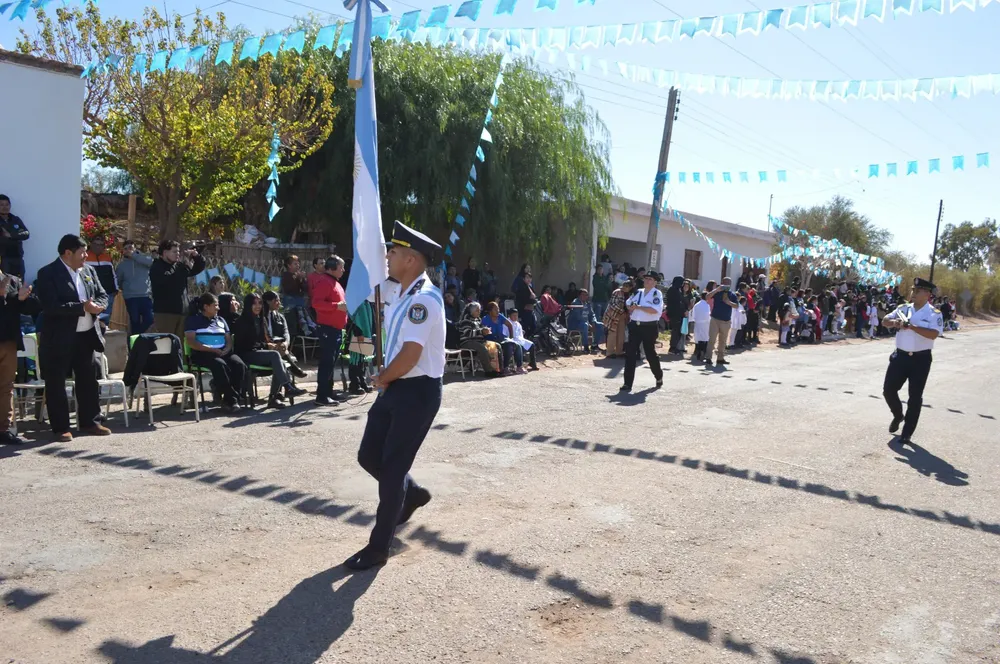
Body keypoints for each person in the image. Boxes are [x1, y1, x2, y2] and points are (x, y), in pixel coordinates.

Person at [344, 221, 445, 571]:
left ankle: (378, 547)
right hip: (396, 385)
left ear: (411, 260)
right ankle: (411, 493)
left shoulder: (423, 300)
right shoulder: (399, 291)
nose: (387, 256)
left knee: (391, 469)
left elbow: (411, 354)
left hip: (417, 391)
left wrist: (383, 377)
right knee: (368, 455)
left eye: (394, 252)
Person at [35, 234, 111, 442]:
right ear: (68, 253)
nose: (86, 256)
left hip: (86, 335)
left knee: (87, 380)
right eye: (82, 252)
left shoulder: (88, 271)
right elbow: (50, 306)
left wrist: (99, 306)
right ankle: (61, 428)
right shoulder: (48, 273)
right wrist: (82, 307)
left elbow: (102, 294)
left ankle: (90, 422)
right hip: (59, 337)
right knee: (57, 382)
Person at [881, 278, 943, 444]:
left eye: (917, 291)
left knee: (914, 397)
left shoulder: (934, 313)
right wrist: (895, 323)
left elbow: (933, 334)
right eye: (913, 290)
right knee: (888, 390)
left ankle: (907, 432)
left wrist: (912, 327)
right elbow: (885, 320)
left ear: (927, 294)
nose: (913, 293)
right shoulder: (903, 308)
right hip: (900, 357)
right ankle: (898, 415)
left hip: (920, 360)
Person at [232, 293, 298, 409]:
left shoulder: (261, 320)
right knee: (274, 355)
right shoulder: (241, 322)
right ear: (248, 305)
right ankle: (287, 387)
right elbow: (246, 344)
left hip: (259, 353)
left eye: (260, 303)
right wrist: (267, 346)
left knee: (280, 362)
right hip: (246, 354)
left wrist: (275, 345)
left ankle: (273, 398)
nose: (258, 306)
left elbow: (266, 339)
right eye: (254, 303)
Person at [185, 293, 246, 413]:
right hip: (203, 353)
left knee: (239, 365)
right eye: (215, 305)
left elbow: (228, 339)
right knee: (220, 365)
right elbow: (191, 341)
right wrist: (211, 350)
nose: (218, 308)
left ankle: (228, 400)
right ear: (206, 307)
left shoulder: (221, 320)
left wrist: (227, 349)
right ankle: (233, 399)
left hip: (223, 352)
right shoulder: (193, 320)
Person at [0, 266, 38, 444]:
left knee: (6, 387)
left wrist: (25, 297)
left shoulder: (12, 280)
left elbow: (29, 308)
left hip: (8, 341)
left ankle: (4, 428)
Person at [311, 256, 349, 406]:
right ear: (332, 268)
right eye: (341, 267)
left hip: (336, 329)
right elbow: (316, 303)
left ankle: (328, 391)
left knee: (331, 362)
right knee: (327, 362)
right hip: (328, 328)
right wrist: (336, 306)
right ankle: (322, 396)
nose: (343, 270)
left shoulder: (335, 282)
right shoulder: (324, 282)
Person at [150, 240, 205, 340]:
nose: (178, 254)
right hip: (166, 314)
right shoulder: (156, 267)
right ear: (165, 252)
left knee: (180, 345)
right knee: (166, 344)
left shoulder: (179, 266)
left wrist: (196, 256)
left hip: (182, 312)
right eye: (174, 251)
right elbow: (168, 280)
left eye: (178, 251)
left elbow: (196, 269)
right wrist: (184, 265)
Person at [620, 272, 663, 392]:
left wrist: (638, 307)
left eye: (650, 279)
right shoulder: (638, 292)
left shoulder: (656, 293)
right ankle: (627, 383)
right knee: (630, 353)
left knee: (650, 353)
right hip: (635, 326)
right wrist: (631, 307)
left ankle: (658, 376)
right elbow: (628, 303)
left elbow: (654, 310)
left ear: (655, 282)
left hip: (649, 327)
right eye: (646, 279)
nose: (647, 281)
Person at [261, 291, 308, 379]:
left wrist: (286, 343)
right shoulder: (260, 317)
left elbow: (286, 332)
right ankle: (294, 372)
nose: (279, 303)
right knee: (280, 356)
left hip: (279, 346)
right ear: (268, 301)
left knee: (281, 351)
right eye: (276, 300)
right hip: (266, 346)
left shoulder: (280, 317)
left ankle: (286, 384)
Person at [116, 240, 154, 334]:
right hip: (130, 297)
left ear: (135, 249)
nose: (128, 250)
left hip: (145, 295)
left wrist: (134, 255)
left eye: (130, 248)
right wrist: (126, 289)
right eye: (125, 249)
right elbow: (118, 280)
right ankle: (134, 340)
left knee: (150, 319)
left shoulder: (144, 259)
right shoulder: (121, 265)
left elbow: (152, 263)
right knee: (134, 322)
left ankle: (138, 336)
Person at [458, 302, 501, 377]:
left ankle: (498, 369)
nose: (479, 312)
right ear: (471, 311)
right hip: (467, 342)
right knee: (482, 348)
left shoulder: (478, 320)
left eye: (479, 310)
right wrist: (481, 331)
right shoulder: (465, 320)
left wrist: (486, 331)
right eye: (477, 310)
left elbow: (481, 330)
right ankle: (489, 371)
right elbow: (467, 333)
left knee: (497, 346)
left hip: (479, 341)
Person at [84, 235, 118, 323]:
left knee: (105, 318)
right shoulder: (85, 257)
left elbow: (113, 275)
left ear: (103, 246)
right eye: (95, 244)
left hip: (108, 293)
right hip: (92, 295)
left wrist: (116, 289)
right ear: (91, 244)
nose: (98, 247)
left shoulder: (107, 258)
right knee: (92, 319)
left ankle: (104, 330)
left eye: (100, 245)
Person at [706, 277, 739, 367]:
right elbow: (707, 297)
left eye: (728, 283)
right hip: (715, 319)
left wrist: (728, 302)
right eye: (725, 283)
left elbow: (736, 306)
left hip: (726, 321)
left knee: (723, 340)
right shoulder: (717, 292)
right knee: (712, 339)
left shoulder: (732, 294)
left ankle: (720, 358)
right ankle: (708, 357)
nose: (727, 285)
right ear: (722, 283)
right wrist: (717, 290)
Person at [0, 194, 30, 278]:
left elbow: (26, 234)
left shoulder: (15, 219)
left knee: (19, 283)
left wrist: (11, 235)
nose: (5, 207)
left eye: (7, 204)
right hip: (3, 259)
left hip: (17, 258)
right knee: (5, 284)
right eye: (1, 205)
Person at [602, 279, 632, 359]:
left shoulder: (628, 294)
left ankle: (619, 351)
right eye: (624, 285)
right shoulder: (617, 292)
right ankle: (610, 352)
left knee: (621, 334)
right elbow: (613, 304)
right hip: (613, 315)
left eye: (627, 286)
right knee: (612, 333)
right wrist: (622, 311)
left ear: (630, 288)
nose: (625, 287)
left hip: (622, 316)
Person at [567, 288, 603, 354]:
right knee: (585, 325)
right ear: (579, 295)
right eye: (583, 295)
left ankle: (594, 345)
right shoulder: (576, 303)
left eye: (586, 295)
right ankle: (586, 347)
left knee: (600, 325)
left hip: (585, 323)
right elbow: (578, 317)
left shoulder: (587, 304)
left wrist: (593, 322)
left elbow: (592, 314)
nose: (585, 296)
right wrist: (589, 324)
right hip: (575, 324)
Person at [666, 275, 686, 355]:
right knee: (676, 331)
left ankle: (675, 347)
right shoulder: (673, 290)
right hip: (675, 314)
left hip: (679, 314)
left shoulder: (677, 290)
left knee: (678, 331)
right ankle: (672, 348)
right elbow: (676, 303)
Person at [691, 291, 711, 362]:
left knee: (698, 338)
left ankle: (698, 353)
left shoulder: (696, 305)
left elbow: (693, 315)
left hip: (697, 323)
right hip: (705, 324)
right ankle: (703, 353)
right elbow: (708, 315)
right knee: (705, 338)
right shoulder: (707, 305)